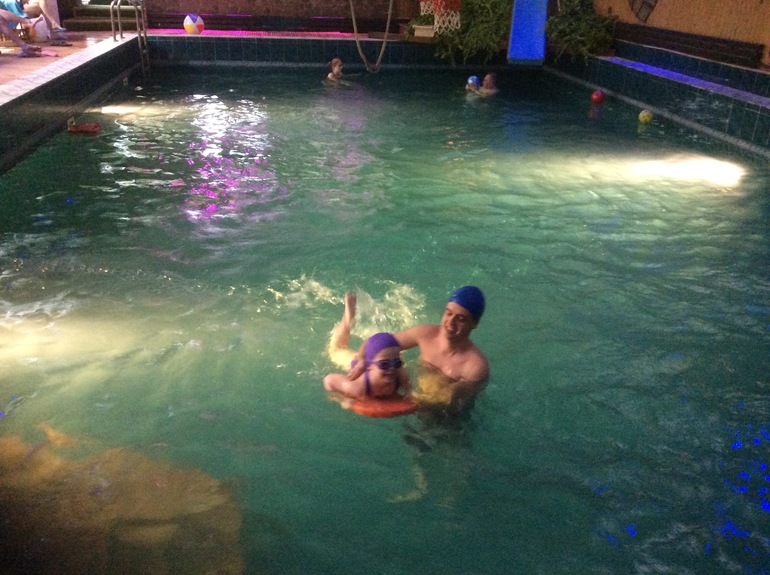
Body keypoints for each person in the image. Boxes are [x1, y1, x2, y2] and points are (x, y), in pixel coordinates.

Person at [350, 286, 489, 413]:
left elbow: (447, 399)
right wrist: (362, 360)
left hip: (448, 417)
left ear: (474, 324)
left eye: (460, 319)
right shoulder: (426, 334)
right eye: (448, 313)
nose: (451, 322)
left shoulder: (475, 367)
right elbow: (380, 342)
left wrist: (406, 400)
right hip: (417, 398)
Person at [324, 292, 411, 400]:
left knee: (388, 358)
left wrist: (410, 396)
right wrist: (344, 400)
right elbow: (329, 381)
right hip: (357, 363)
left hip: (379, 356)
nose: (392, 369)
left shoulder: (401, 374)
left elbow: (410, 393)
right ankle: (348, 318)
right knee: (337, 349)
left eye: (397, 363)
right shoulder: (357, 387)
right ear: (369, 366)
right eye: (384, 365)